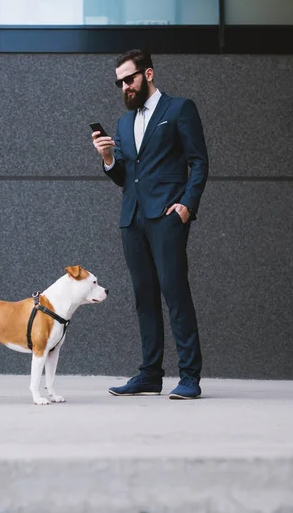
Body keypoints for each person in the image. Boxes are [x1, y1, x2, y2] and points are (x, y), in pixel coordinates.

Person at [92, 49, 209, 399]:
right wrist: (108, 158)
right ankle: (150, 374)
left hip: (167, 218)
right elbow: (127, 177)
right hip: (132, 220)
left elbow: (199, 162)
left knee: (175, 294)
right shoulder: (124, 124)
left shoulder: (179, 109)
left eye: (130, 79)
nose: (125, 86)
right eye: (119, 82)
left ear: (149, 74)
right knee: (144, 298)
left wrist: (187, 206)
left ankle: (190, 376)